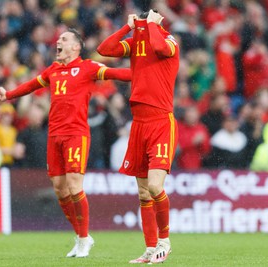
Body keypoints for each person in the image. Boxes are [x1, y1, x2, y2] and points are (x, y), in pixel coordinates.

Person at [0, 28, 131, 258]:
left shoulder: (89, 67)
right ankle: (81, 237)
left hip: (76, 134)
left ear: (76, 47)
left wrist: (151, 72)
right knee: (59, 189)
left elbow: (119, 74)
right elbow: (31, 85)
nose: (58, 41)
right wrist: (8, 95)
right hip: (54, 134)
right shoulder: (53, 70)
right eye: (58, 38)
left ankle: (84, 239)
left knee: (74, 184)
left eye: (64, 39)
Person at [97, 9, 179, 264]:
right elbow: (105, 49)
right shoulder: (135, 43)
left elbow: (158, 46)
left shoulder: (170, 41)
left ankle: (165, 242)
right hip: (139, 123)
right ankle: (150, 247)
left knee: (155, 186)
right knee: (144, 193)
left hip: (161, 121)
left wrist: (152, 25)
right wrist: (127, 27)